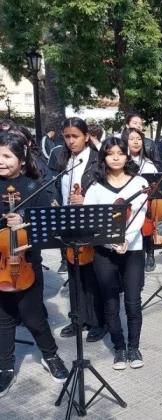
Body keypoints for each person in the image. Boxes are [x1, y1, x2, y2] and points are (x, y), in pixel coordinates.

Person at [0, 132, 69, 397]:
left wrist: (25, 221)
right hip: (0, 263)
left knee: (34, 317)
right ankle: (5, 368)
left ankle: (50, 356)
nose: (1, 161)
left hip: (27, 263)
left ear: (21, 158)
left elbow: (48, 226)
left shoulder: (33, 186)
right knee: (3, 320)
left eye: (7, 156)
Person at [84, 136, 148, 370]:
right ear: (104, 157)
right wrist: (112, 242)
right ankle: (119, 348)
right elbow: (91, 217)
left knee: (132, 302)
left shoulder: (139, 182)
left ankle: (134, 346)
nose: (116, 157)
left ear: (126, 155)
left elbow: (139, 215)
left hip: (132, 250)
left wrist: (126, 239)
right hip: (104, 251)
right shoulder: (95, 187)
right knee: (110, 302)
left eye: (120, 153)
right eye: (110, 153)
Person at [53, 118, 108, 342]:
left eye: (75, 136)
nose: (70, 141)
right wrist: (55, 201)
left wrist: (86, 199)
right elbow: (56, 185)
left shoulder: (97, 160)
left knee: (92, 273)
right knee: (74, 272)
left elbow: (106, 191)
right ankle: (78, 319)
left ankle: (98, 321)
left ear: (86, 136)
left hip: (90, 221)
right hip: (68, 221)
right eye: (67, 137)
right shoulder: (63, 159)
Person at [123, 128, 158, 272]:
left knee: (146, 225)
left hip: (144, 203)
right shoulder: (121, 160)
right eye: (132, 139)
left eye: (139, 139)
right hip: (126, 202)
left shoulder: (147, 163)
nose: (136, 142)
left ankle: (150, 253)